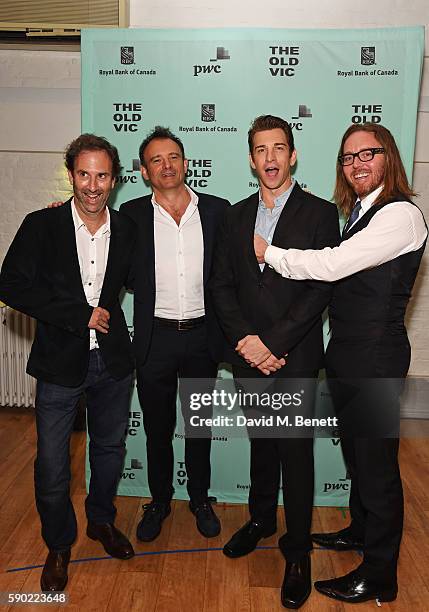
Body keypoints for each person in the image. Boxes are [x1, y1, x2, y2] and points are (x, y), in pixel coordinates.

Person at [254, 122, 427, 604]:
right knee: (358, 457)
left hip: (373, 359)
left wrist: (270, 253)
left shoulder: (401, 216)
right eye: (349, 158)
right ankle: (360, 531)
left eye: (367, 154)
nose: (357, 165)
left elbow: (332, 266)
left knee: (377, 470)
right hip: (349, 356)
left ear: (388, 157)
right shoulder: (360, 212)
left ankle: (380, 575)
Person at [210, 115, 340, 609]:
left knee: (295, 456)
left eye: (279, 148)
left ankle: (298, 549)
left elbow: (319, 288)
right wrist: (246, 341)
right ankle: (262, 519)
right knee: (262, 446)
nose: (270, 158)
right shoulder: (236, 216)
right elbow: (222, 284)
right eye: (261, 150)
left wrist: (274, 344)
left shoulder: (320, 213)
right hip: (248, 358)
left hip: (295, 355)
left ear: (293, 155)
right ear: (250, 158)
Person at [0, 134, 137, 591]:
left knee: (110, 452)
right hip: (59, 364)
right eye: (84, 174)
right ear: (71, 174)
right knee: (53, 465)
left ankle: (100, 522)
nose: (92, 185)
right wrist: (80, 316)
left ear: (115, 180)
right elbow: (12, 286)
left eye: (102, 176)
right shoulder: (42, 225)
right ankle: (59, 545)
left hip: (113, 366)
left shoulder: (128, 228)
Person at [119, 127, 230, 541]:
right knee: (157, 429)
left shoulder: (220, 211)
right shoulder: (129, 216)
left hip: (204, 338)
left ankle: (200, 499)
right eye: (156, 160)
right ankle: (160, 500)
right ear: (145, 172)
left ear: (186, 163)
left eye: (173, 157)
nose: (166, 166)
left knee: (199, 426)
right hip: (154, 342)